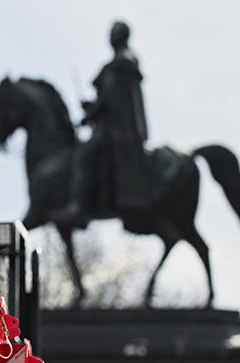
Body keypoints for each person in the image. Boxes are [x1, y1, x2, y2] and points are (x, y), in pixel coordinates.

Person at [73, 20, 151, 220]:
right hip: (117, 128)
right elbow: (110, 99)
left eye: (113, 33)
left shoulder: (120, 64)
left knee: (84, 155)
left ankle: (79, 206)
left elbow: (109, 98)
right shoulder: (124, 61)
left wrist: (90, 113)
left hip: (117, 131)